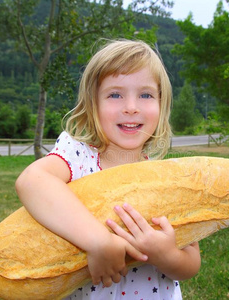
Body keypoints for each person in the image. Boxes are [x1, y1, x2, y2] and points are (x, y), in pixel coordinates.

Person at [15, 39, 201, 300]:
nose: (131, 106)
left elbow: (191, 263)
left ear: (162, 105)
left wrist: (166, 255)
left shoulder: (165, 178)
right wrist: (97, 241)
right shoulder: (78, 155)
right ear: (93, 103)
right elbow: (32, 180)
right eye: (115, 94)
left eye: (146, 94)